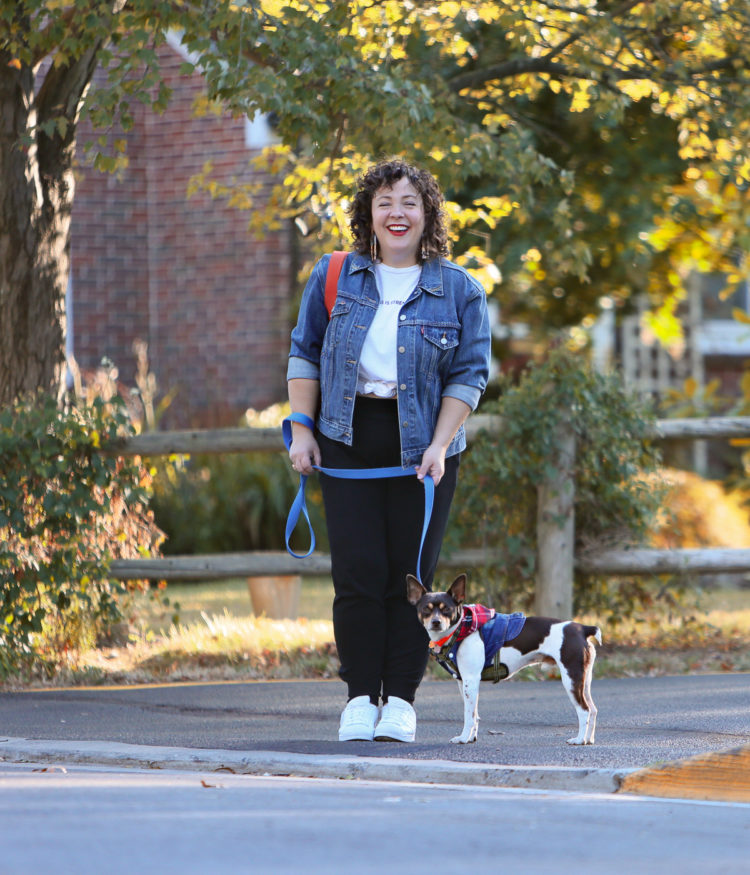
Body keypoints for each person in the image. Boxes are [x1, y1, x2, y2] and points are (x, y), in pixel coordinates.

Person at [286, 158, 491, 742]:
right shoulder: (332, 276)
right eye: (385, 203)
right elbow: (305, 354)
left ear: (427, 213)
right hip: (347, 438)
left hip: (425, 445)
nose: (396, 214)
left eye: (409, 203)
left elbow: (469, 376)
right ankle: (358, 698)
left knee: (413, 577)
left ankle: (400, 698)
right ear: (368, 214)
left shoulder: (460, 289)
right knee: (357, 574)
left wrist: (440, 445)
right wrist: (302, 432)